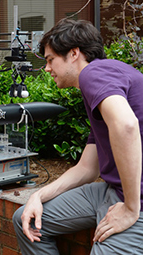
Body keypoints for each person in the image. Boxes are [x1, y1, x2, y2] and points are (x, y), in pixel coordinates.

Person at [13, 18, 143, 254]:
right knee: (26, 218)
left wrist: (131, 208)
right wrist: (38, 196)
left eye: (51, 59)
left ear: (74, 53)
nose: (47, 68)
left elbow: (126, 125)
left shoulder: (93, 73)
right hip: (113, 190)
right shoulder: (104, 82)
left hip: (138, 202)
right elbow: (87, 169)